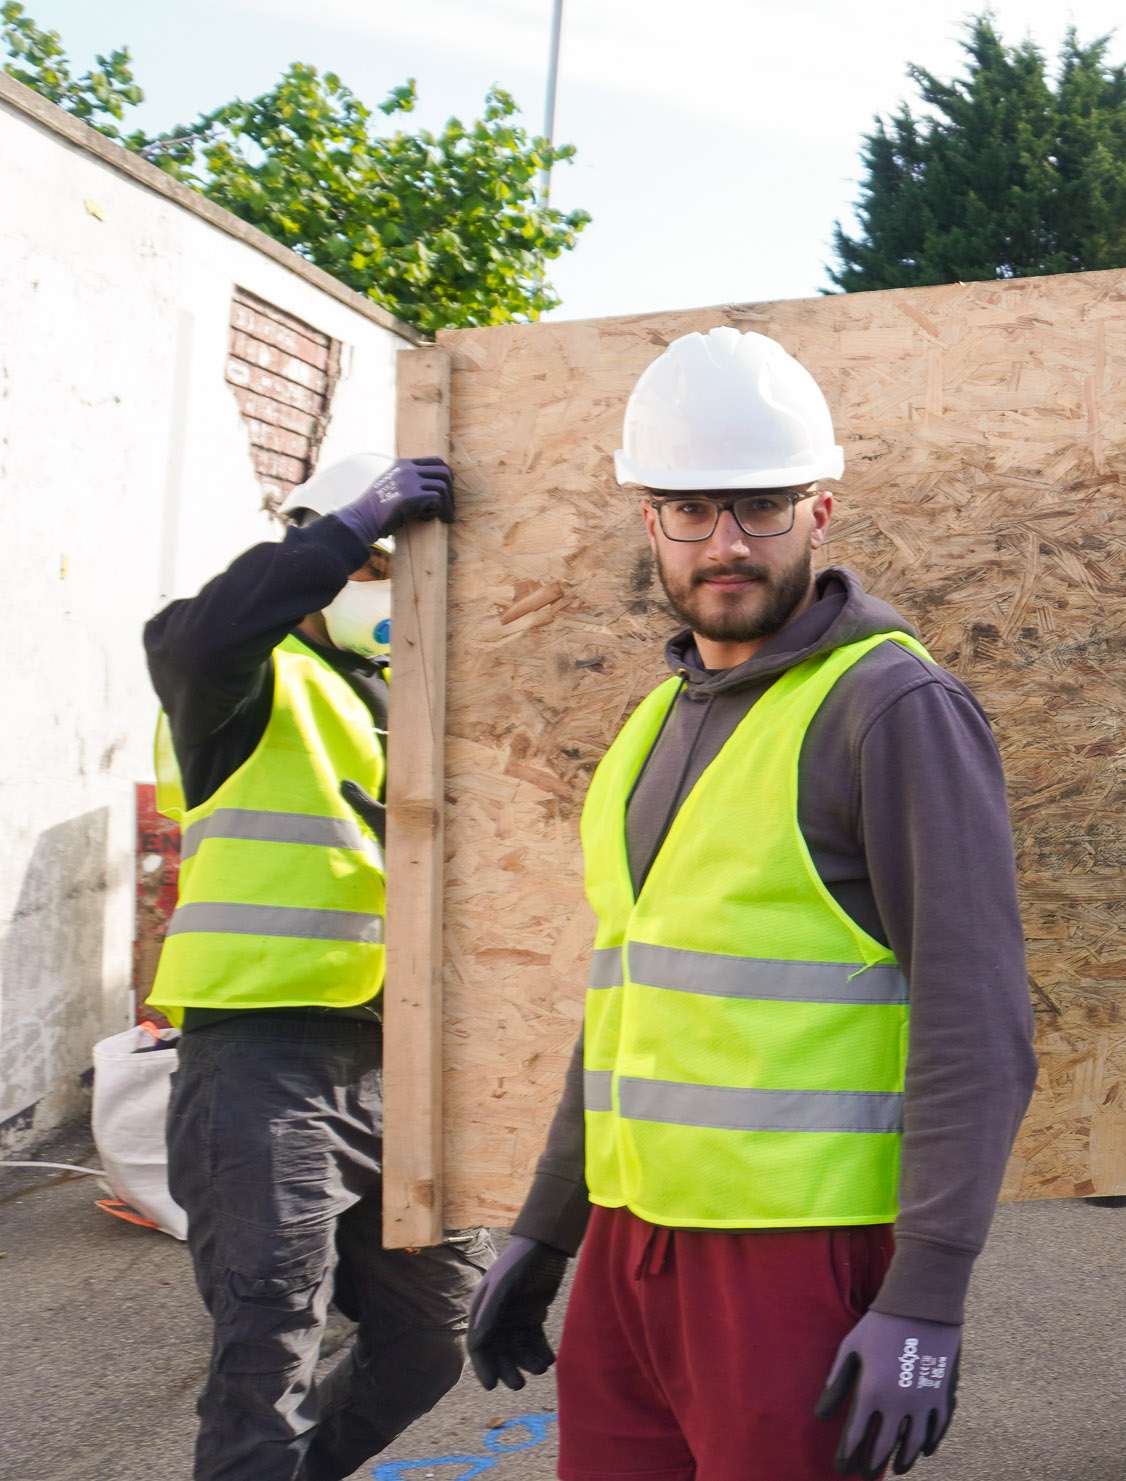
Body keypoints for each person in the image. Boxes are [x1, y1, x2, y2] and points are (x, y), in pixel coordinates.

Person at [461, 326, 1039, 1481]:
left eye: (760, 507)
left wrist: (927, 1292)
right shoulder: (651, 722)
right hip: (632, 1252)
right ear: (651, 522)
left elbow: (978, 1021)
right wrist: (550, 1220)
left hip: (793, 1264)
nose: (724, 542)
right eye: (690, 508)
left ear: (819, 513)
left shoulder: (890, 707)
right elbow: (630, 999)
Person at [145, 453, 486, 1480]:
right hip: (263, 1058)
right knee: (268, 1350)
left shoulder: (405, 695)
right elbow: (209, 636)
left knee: (434, 1333)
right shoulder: (238, 680)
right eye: (379, 562)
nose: (390, 587)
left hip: (401, 1057)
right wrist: (342, 532)